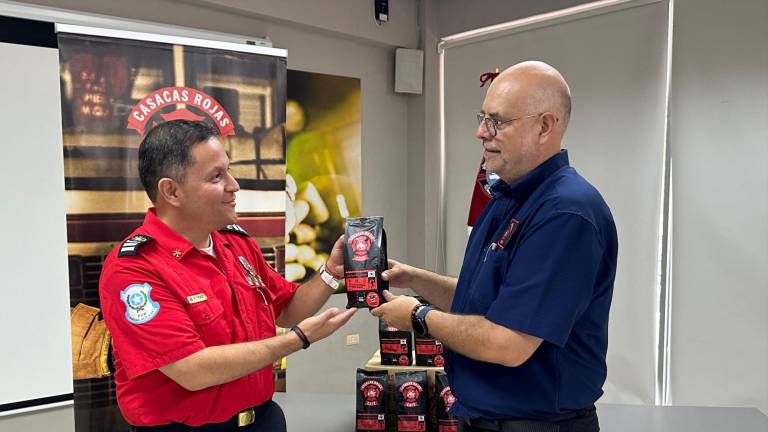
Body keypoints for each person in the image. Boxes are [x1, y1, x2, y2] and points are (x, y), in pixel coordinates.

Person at [371, 61, 617, 432]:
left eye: (497, 121)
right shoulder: (507, 198)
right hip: (483, 419)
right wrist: (414, 278)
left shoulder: (565, 213)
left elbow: (508, 343)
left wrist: (418, 318)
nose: (480, 132)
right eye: (482, 117)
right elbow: (483, 302)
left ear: (544, 127)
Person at [99, 120, 356, 431]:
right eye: (216, 177)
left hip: (262, 420)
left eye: (229, 171)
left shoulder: (235, 243)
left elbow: (287, 308)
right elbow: (192, 370)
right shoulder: (135, 268)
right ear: (172, 191)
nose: (234, 186)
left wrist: (331, 271)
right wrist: (296, 341)